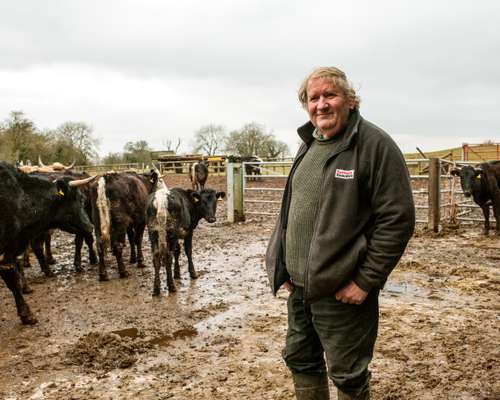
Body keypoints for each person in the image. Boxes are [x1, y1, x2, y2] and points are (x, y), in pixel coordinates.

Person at [265, 67, 415, 400]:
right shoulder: (309, 145)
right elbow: (292, 212)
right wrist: (283, 266)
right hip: (301, 288)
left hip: (342, 291)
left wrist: (365, 280)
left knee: (348, 375)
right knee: (302, 361)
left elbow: (398, 218)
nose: (321, 104)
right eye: (313, 98)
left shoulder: (375, 145)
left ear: (349, 100)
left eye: (329, 95)